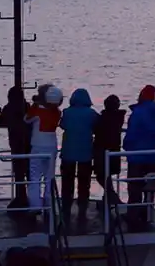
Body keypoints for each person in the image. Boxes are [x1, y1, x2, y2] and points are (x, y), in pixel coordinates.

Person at [122, 85, 155, 231]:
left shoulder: (137, 113)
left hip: (136, 155)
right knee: (149, 186)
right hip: (152, 155)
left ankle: (133, 213)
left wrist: (126, 145)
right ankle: (146, 213)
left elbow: (132, 133)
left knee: (134, 186)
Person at [59, 88, 99, 219]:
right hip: (85, 152)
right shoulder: (92, 114)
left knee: (67, 182)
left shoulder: (67, 112)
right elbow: (97, 126)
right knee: (84, 182)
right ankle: (82, 208)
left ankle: (66, 208)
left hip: (68, 152)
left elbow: (63, 125)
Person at [24, 85, 63, 215]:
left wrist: (34, 105)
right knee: (49, 176)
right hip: (51, 145)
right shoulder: (57, 112)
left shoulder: (37, 111)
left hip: (37, 145)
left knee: (34, 176)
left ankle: (35, 205)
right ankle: (49, 203)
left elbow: (26, 119)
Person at [0, 86, 32, 208]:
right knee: (30, 173)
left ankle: (21, 197)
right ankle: (32, 198)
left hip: (16, 143)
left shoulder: (8, 108)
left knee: (19, 173)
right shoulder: (28, 106)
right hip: (29, 143)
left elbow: (2, 122)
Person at [93, 94, 126, 207]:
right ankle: (108, 198)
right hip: (114, 149)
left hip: (102, 149)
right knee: (107, 175)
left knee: (101, 175)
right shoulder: (119, 118)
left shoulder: (103, 118)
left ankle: (112, 196)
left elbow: (97, 130)